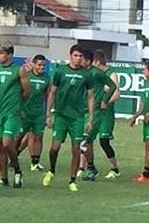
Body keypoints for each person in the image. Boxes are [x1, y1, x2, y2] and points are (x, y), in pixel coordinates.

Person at [42, 44, 94, 192]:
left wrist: (90, 118)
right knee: (54, 148)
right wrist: (48, 114)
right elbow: (52, 93)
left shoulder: (86, 75)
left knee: (76, 149)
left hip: (77, 117)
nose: (78, 59)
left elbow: (90, 96)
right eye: (75, 55)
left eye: (80, 56)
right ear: (70, 55)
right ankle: (51, 170)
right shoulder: (60, 71)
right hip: (61, 116)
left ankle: (72, 180)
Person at [0, 43, 29, 188]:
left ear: (10, 55)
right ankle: (3, 179)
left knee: (7, 143)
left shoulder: (19, 70)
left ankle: (17, 170)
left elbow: (26, 91)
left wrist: (17, 104)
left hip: (12, 113)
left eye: (2, 53)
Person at [78, 49, 119, 181]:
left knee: (92, 140)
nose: (79, 60)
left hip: (98, 113)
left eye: (81, 58)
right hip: (85, 111)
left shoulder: (98, 73)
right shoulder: (83, 73)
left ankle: (99, 169)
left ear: (89, 61)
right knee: (85, 141)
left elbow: (113, 87)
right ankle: (86, 168)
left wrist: (105, 101)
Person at [18, 54, 49, 172]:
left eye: (44, 65)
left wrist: (47, 114)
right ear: (34, 65)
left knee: (37, 137)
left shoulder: (46, 78)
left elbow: (47, 96)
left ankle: (35, 162)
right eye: (39, 65)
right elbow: (20, 93)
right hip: (25, 111)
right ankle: (13, 156)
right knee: (19, 137)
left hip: (38, 113)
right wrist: (19, 109)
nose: (42, 67)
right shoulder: (27, 76)